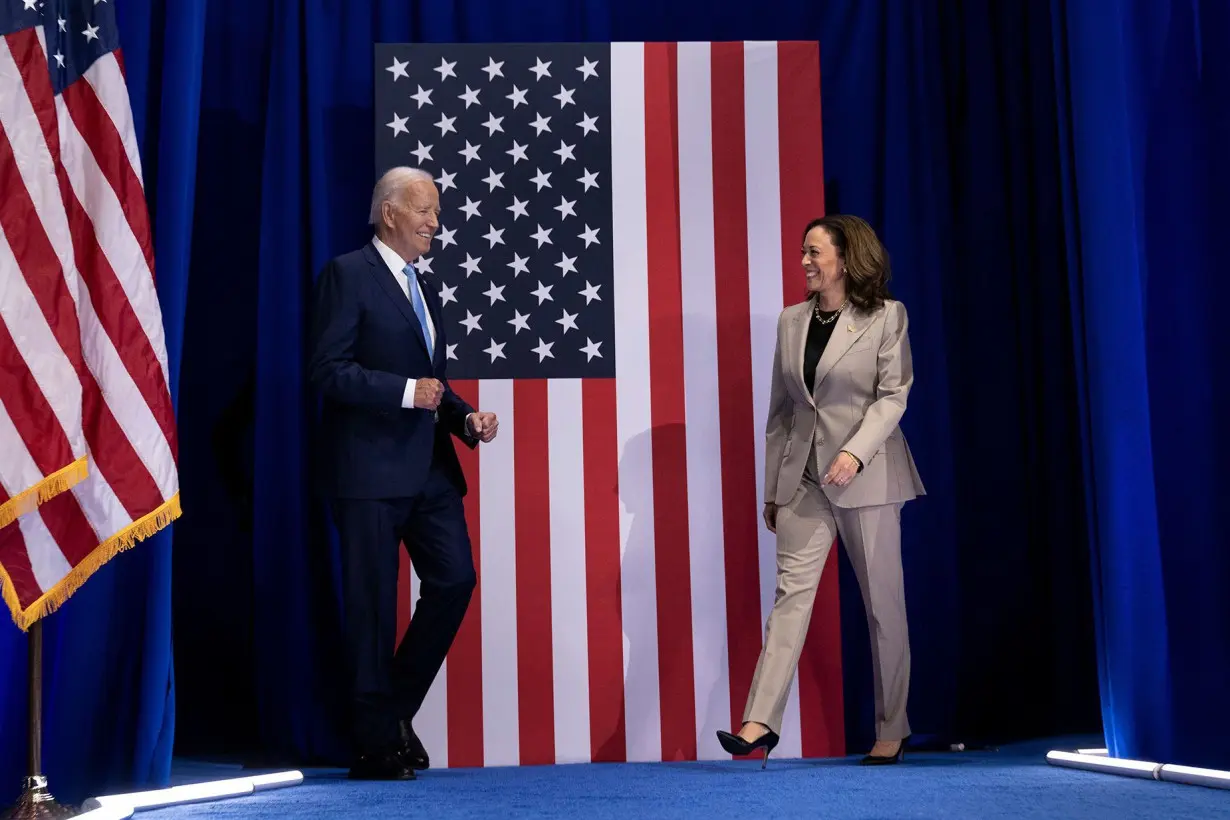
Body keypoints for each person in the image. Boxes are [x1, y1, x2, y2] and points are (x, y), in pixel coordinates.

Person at [308, 166, 499, 781]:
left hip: (429, 472)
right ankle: (372, 747)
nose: (434, 224)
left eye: (437, 214)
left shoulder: (424, 287)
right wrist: (402, 392)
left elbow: (431, 383)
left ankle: (391, 712)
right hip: (367, 471)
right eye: (425, 211)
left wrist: (464, 418)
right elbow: (327, 371)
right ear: (389, 212)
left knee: (455, 582)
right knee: (370, 608)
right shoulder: (347, 274)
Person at [717, 215, 925, 767]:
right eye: (803, 253)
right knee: (790, 602)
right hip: (803, 482)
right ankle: (759, 722)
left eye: (815, 252)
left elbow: (893, 395)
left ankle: (892, 728)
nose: (805, 262)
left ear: (845, 257)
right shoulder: (791, 321)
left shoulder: (885, 317)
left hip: (869, 477)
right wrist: (772, 489)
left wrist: (855, 453)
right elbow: (781, 413)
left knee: (884, 609)